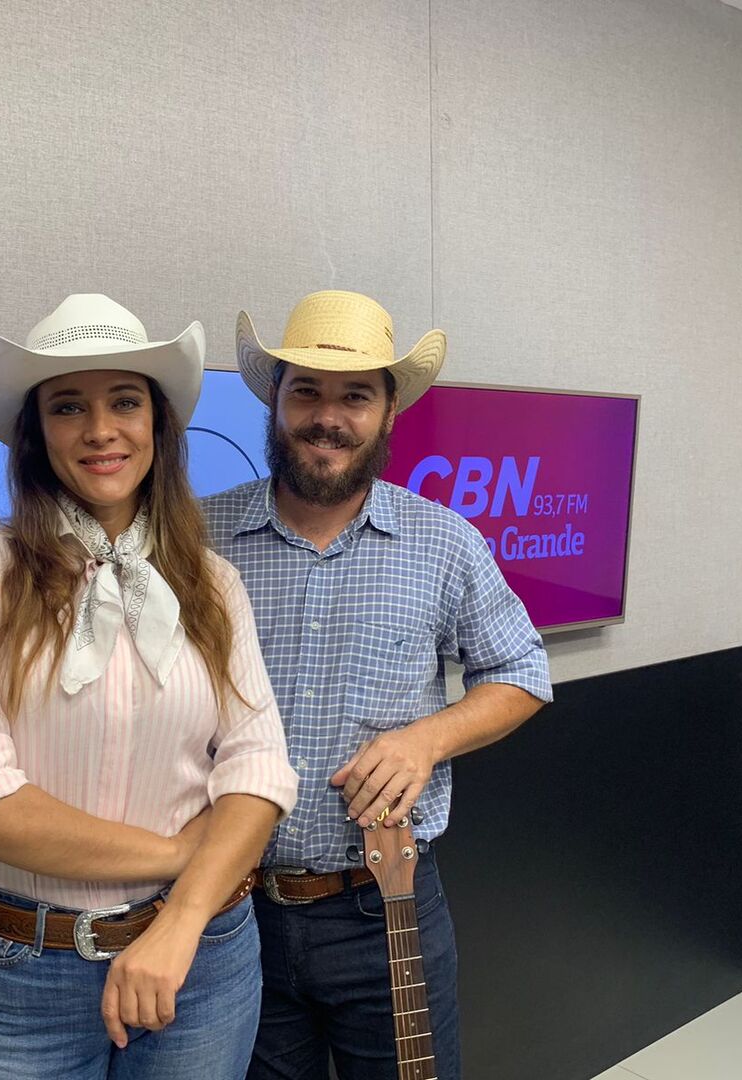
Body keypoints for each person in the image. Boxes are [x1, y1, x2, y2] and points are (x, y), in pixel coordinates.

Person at [0, 293, 297, 1080]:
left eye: (124, 401)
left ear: (157, 423)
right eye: (67, 407)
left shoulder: (213, 585)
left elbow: (259, 770)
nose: (100, 430)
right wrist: (176, 852)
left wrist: (183, 914)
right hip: (32, 972)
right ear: (35, 433)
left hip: (206, 956)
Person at [201, 290, 553, 1080]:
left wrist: (427, 738)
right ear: (275, 401)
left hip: (384, 905)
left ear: (389, 413)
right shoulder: (196, 538)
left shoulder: (444, 542)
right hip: (228, 909)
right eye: (308, 392)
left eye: (356, 396)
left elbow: (523, 670)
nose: (329, 417)